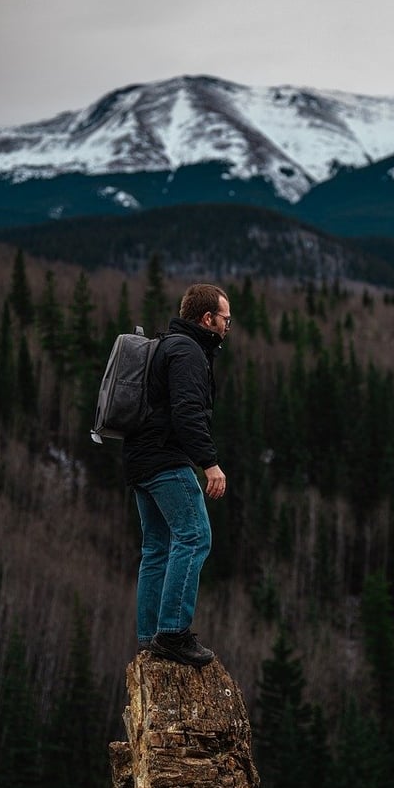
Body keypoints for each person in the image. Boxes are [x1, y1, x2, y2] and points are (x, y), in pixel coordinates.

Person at [123, 283, 231, 667]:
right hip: (165, 460)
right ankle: (172, 633)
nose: (226, 328)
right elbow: (187, 413)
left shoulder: (168, 344)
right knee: (195, 535)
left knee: (157, 548)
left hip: (139, 460)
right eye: (225, 320)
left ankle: (150, 636)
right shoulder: (187, 352)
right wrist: (210, 464)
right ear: (207, 319)